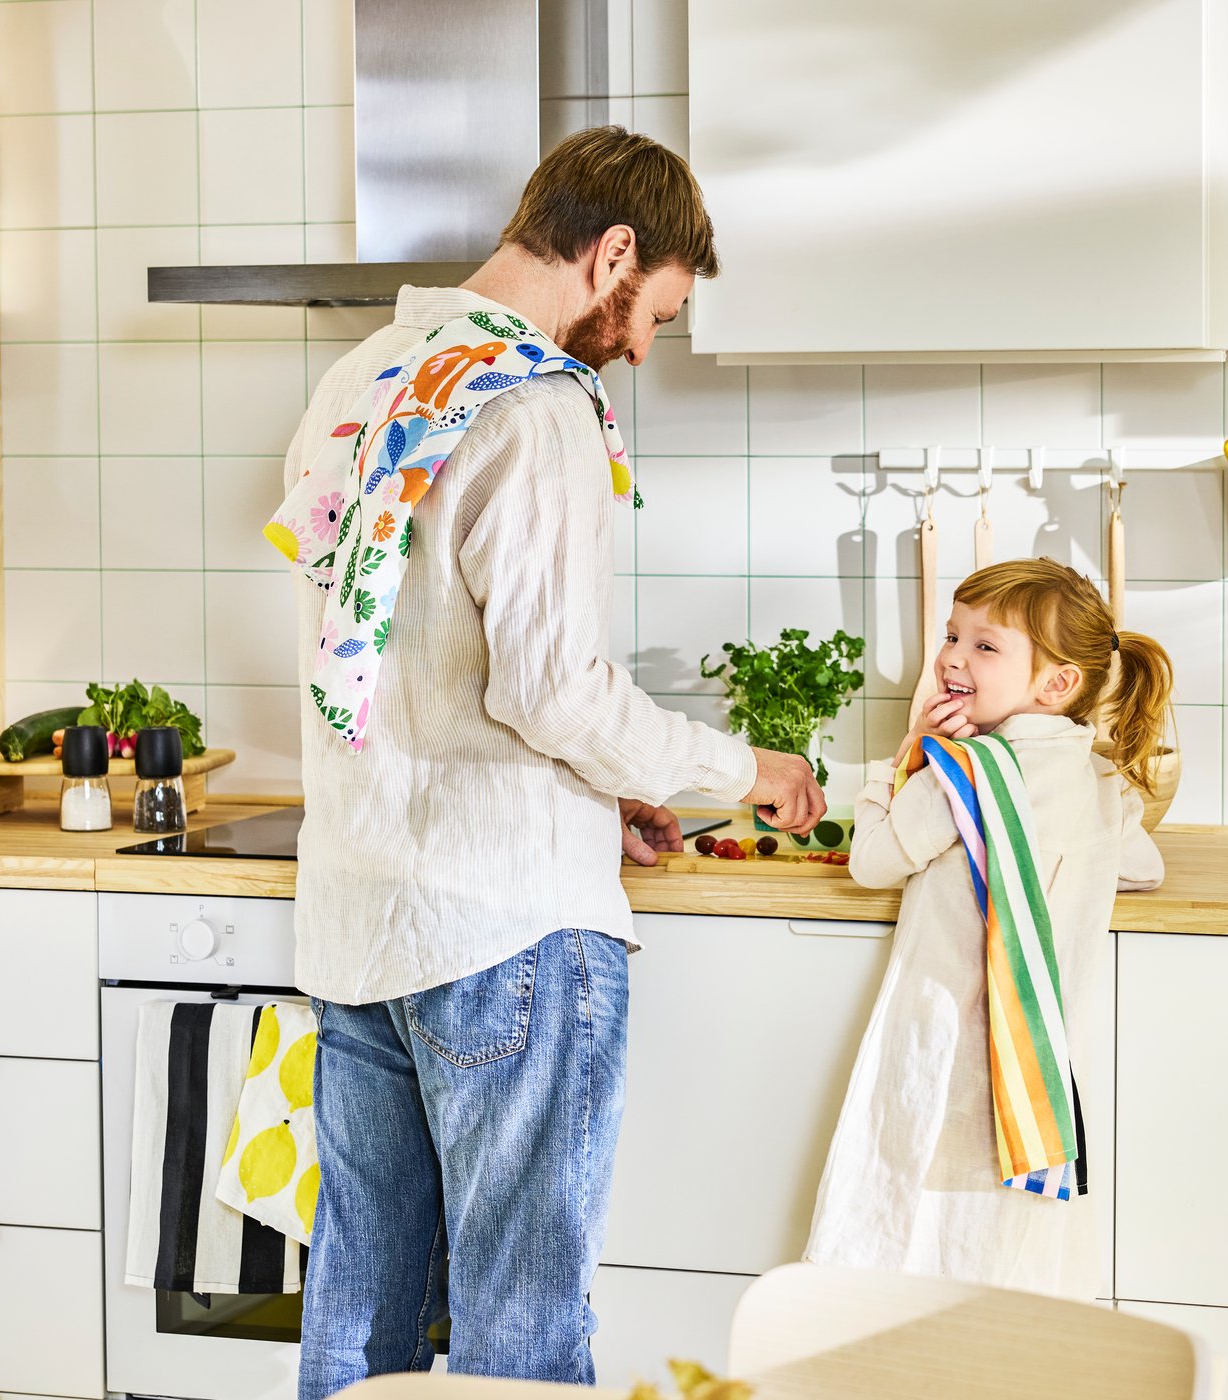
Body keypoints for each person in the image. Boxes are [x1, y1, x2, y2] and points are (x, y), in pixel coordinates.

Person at [277, 126, 826, 1396]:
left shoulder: (364, 376)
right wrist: (739, 767)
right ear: (614, 252)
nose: (639, 346)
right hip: (504, 932)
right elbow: (549, 687)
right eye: (655, 313)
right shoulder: (531, 403)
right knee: (517, 1339)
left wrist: (601, 785)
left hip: (362, 919)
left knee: (360, 1329)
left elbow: (397, 658)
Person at [805, 558, 1170, 1299]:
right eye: (952, 635)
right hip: (1035, 1075)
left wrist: (907, 751)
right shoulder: (1098, 780)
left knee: (908, 1235)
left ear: (1057, 683)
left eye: (984, 645)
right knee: (1001, 1258)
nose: (951, 658)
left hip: (942, 1052)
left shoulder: (967, 770)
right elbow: (1145, 867)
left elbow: (871, 861)